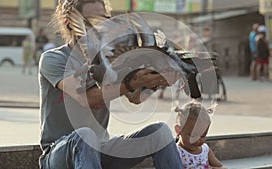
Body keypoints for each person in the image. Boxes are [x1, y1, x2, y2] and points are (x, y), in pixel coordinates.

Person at [38, 0, 183, 169]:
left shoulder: (112, 58)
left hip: (102, 149)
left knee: (160, 132)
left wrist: (155, 80)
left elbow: (135, 98)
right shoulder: (54, 58)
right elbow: (86, 98)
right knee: (85, 136)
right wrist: (130, 83)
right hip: (60, 152)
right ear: (69, 24)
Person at [174, 101, 226, 169]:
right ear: (179, 130)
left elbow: (222, 167)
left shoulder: (205, 150)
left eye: (202, 136)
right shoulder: (176, 152)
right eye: (193, 136)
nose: (197, 141)